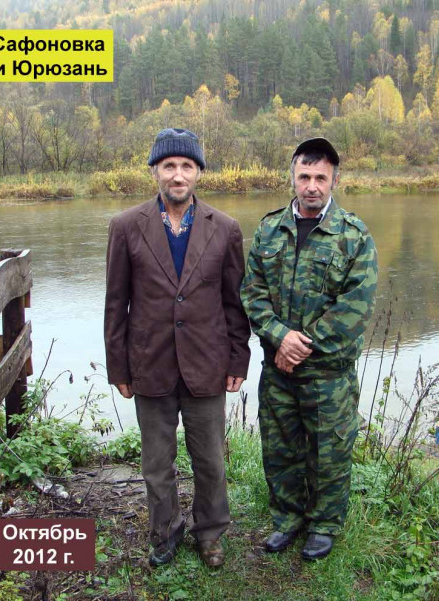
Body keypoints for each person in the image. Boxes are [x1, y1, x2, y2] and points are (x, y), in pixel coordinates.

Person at [104, 128, 251, 569]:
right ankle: (164, 533)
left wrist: (238, 358)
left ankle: (210, 533)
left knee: (210, 461)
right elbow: (115, 303)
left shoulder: (225, 229)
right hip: (149, 364)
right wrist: (118, 368)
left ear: (198, 172)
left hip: (207, 364)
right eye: (169, 166)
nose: (178, 175)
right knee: (156, 463)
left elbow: (235, 302)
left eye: (187, 166)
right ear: (155, 171)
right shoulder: (125, 226)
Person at [240, 137, 378, 560]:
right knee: (280, 448)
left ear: (335, 179)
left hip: (327, 374)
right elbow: (252, 293)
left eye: (321, 177)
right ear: (293, 178)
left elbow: (355, 307)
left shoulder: (353, 236)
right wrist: (279, 336)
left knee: (328, 452)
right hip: (278, 372)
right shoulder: (269, 230)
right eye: (304, 176)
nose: (312, 186)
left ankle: (324, 525)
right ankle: (287, 519)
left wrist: (300, 346)